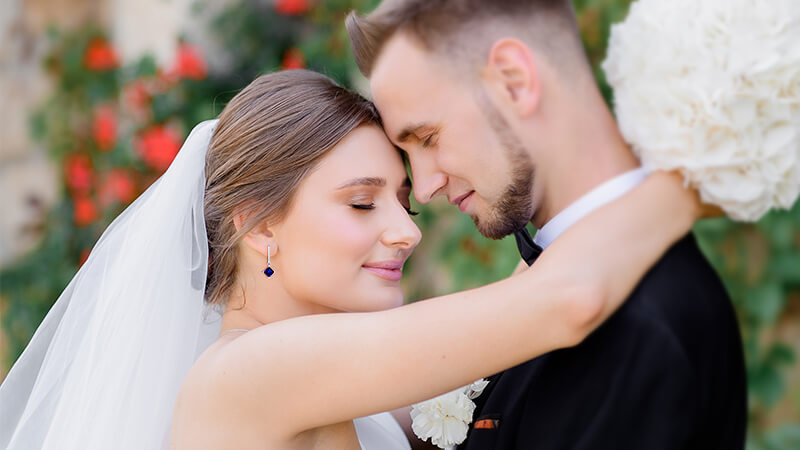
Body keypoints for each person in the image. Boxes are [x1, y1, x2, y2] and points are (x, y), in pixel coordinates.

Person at [0, 70, 702, 450]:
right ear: (258, 226)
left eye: (407, 203)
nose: (407, 232)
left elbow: (526, 295)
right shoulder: (253, 371)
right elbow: (564, 301)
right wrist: (703, 179)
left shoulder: (331, 377)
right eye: (363, 204)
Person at [346, 0, 747, 448]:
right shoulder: (534, 296)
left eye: (428, 138)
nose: (423, 189)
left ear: (514, 82)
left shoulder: (643, 330)